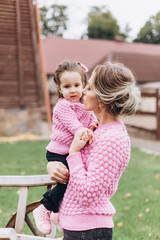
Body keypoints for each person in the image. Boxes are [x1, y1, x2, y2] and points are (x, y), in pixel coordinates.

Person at [46, 62, 141, 240]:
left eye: (89, 88)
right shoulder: (96, 130)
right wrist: (54, 165)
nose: (83, 91)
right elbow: (77, 171)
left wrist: (74, 152)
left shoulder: (113, 138)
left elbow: (87, 193)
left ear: (103, 99)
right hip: (75, 227)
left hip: (89, 231)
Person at [33, 61, 97, 234]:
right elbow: (74, 125)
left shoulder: (86, 105)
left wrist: (94, 126)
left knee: (75, 182)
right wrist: (85, 132)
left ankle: (57, 213)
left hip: (72, 151)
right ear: (60, 89)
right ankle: (44, 208)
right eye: (67, 86)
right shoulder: (62, 106)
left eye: (77, 85)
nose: (73, 90)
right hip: (58, 152)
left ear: (83, 85)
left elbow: (92, 120)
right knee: (67, 179)